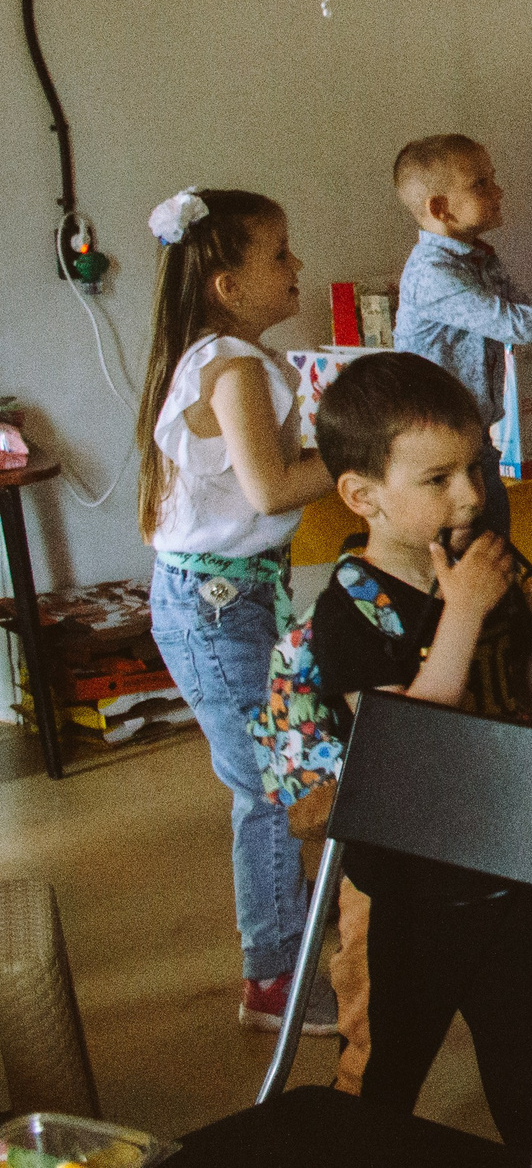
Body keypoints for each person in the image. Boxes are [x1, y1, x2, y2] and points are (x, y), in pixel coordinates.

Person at [305, 352, 532, 1163]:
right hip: (400, 894)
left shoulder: (484, 565)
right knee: (385, 1067)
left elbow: (530, 698)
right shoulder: (347, 611)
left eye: (476, 467)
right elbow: (406, 745)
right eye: (437, 479)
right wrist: (462, 610)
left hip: (501, 870)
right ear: (363, 496)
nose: (471, 493)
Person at [134, 186, 340, 1035]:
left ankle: (292, 916)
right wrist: (372, 448)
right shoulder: (239, 366)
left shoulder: (204, 354)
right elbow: (273, 487)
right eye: (280, 254)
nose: (297, 268)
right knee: (265, 789)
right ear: (227, 283)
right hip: (219, 606)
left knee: (289, 763)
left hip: (219, 596)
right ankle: (273, 974)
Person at [392, 134, 532, 542]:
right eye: (481, 183)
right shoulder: (433, 273)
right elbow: (522, 325)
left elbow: (529, 316)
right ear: (440, 208)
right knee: (469, 559)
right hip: (435, 448)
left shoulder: (480, 259)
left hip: (472, 437)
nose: (498, 190)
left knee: (493, 550)